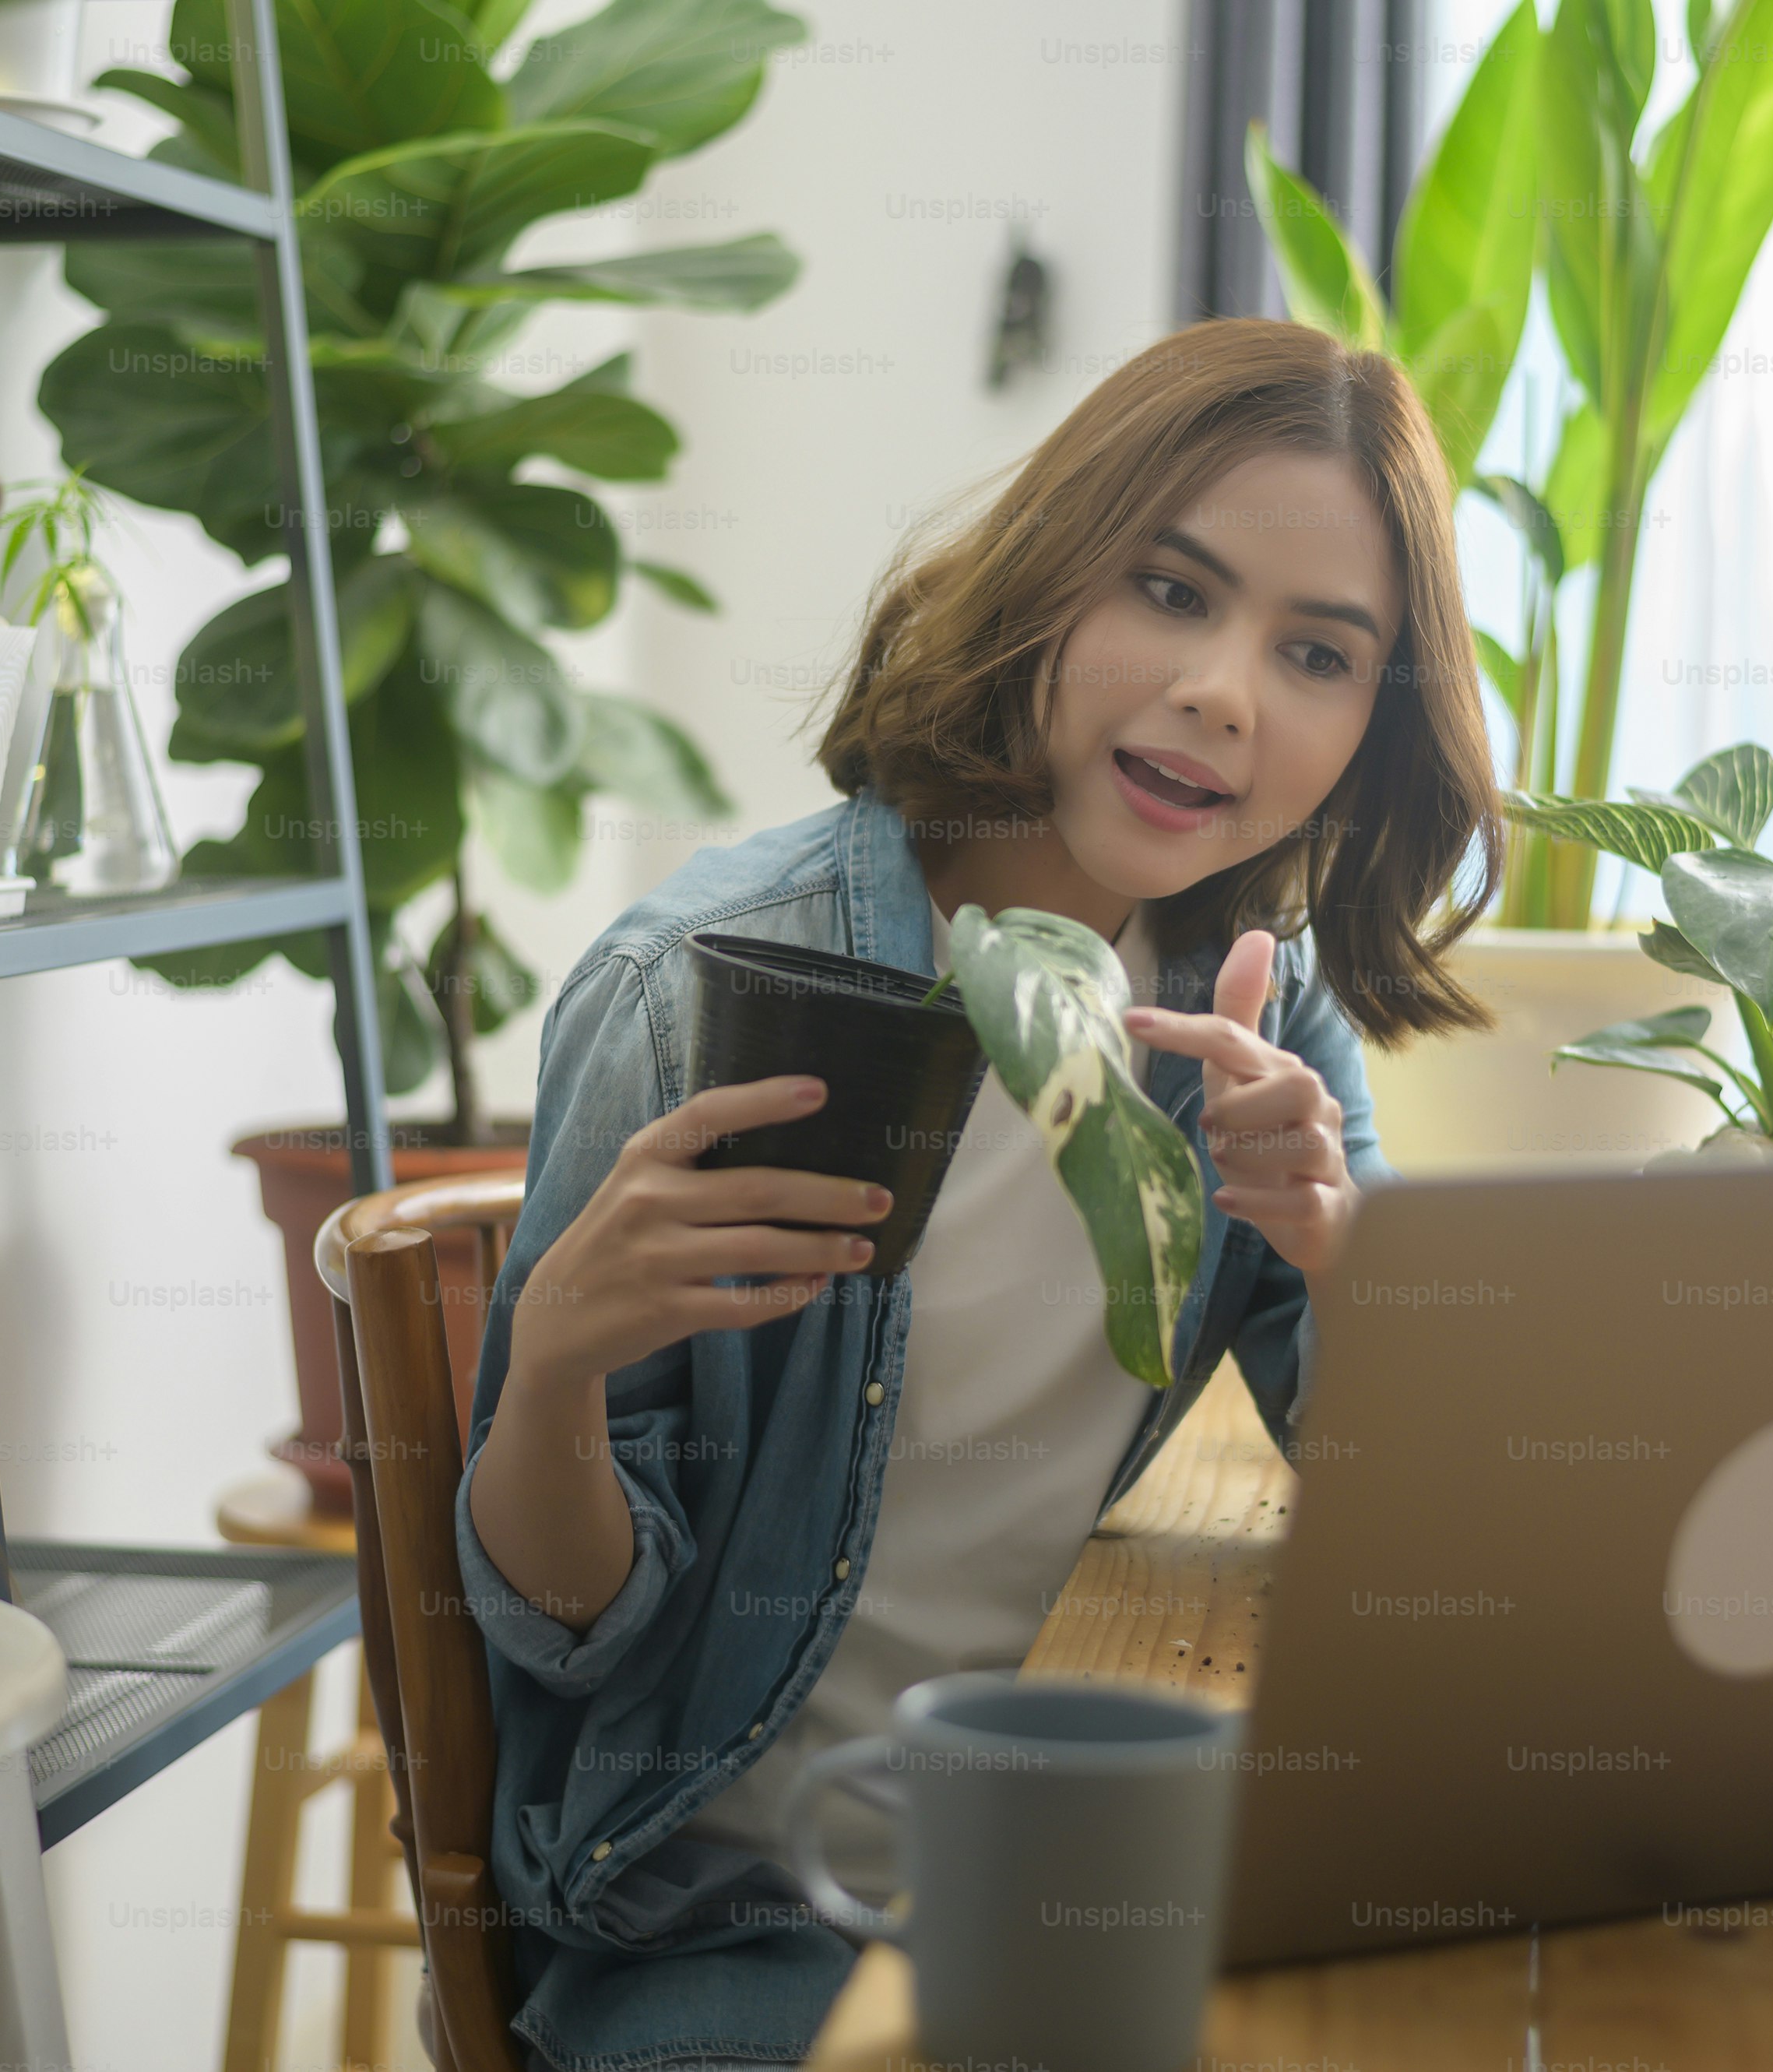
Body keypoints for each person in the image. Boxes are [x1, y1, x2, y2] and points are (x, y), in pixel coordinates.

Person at [448, 317, 1504, 2071]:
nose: (1226, 689)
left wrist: (1340, 1251)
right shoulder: (707, 990)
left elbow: (1419, 1504)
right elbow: (570, 1634)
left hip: (1078, 1878)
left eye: (1314, 650)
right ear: (1048, 584)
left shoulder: (1256, 1006)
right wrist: (549, 1364)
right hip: (723, 1907)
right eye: (1170, 593)